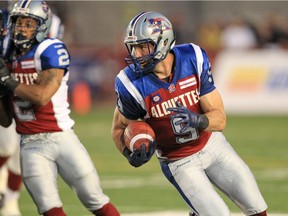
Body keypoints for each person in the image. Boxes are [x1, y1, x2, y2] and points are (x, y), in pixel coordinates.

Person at [111, 11, 268, 216]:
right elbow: (118, 129)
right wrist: (128, 154)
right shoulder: (130, 84)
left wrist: (199, 120)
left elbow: (219, 119)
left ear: (164, 41)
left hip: (212, 145)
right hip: (179, 160)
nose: (137, 54)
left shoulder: (192, 58)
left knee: (257, 208)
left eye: (143, 46)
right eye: (134, 48)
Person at [0, 1, 120, 216]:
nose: (22, 29)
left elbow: (42, 96)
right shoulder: (7, 57)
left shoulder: (49, 49)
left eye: (29, 24)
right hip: (29, 144)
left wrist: (8, 81)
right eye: (18, 23)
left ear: (42, 26)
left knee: (94, 199)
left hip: (61, 138)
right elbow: (6, 120)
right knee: (49, 208)